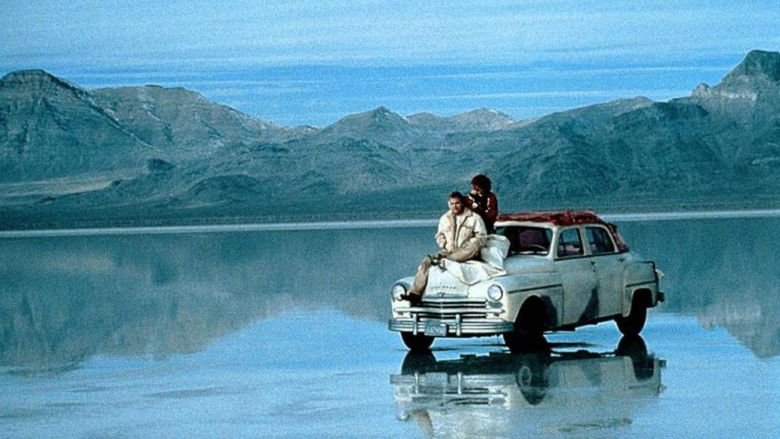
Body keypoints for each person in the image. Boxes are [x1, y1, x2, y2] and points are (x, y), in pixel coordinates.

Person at [402, 191, 487, 304]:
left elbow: (482, 237)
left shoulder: (474, 218)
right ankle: (415, 294)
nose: (454, 206)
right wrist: (444, 244)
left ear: (462, 203)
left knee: (472, 247)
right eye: (452, 204)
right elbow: (439, 235)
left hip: (466, 251)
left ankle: (447, 260)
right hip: (449, 251)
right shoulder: (444, 218)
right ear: (448, 204)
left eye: (457, 203)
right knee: (426, 261)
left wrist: (472, 243)